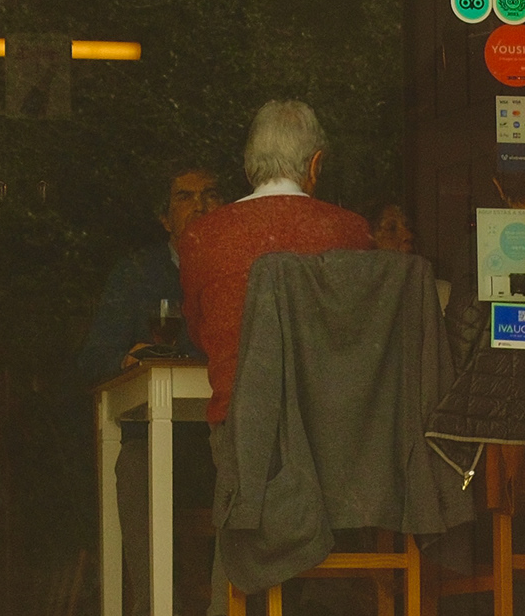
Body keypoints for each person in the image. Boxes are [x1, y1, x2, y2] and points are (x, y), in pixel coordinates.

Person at [174, 101, 372, 431]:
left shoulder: (202, 236)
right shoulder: (351, 231)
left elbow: (199, 331)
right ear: (315, 165)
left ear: (249, 167)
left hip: (241, 424)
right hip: (334, 427)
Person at [81, 167, 218, 386]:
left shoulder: (241, 270)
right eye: (185, 197)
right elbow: (95, 359)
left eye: (210, 195)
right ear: (165, 219)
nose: (200, 207)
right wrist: (127, 361)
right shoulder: (135, 274)